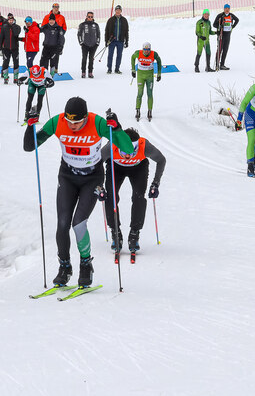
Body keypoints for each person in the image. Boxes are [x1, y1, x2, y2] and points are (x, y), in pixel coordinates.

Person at [23, 97, 133, 287]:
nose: (72, 126)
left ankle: (85, 264)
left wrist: (117, 129)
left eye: (77, 122)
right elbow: (29, 146)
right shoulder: (57, 122)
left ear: (85, 118)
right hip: (67, 177)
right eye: (69, 121)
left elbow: (128, 149)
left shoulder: (97, 123)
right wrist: (30, 126)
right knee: (62, 224)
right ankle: (64, 267)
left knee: (78, 223)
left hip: (92, 178)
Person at [100, 127, 166, 255]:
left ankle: (134, 233)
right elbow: (96, 163)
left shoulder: (144, 146)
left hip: (138, 168)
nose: (127, 156)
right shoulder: (111, 145)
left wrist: (155, 184)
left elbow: (161, 160)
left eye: (132, 151)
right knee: (111, 197)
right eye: (124, 151)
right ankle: (115, 232)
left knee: (138, 197)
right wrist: (99, 186)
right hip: (116, 167)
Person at [131, 42, 162, 121]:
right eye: (145, 49)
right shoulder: (138, 53)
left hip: (149, 76)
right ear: (143, 49)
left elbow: (159, 61)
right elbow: (132, 57)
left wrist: (159, 74)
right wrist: (133, 70)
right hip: (140, 76)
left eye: (148, 49)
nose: (146, 51)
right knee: (140, 93)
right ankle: (138, 110)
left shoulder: (154, 54)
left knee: (150, 93)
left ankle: (150, 111)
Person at [213, 4, 239, 70]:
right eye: (226, 8)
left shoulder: (231, 15)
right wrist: (220, 26)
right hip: (221, 34)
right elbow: (214, 24)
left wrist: (233, 26)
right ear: (224, 9)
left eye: (228, 8)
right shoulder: (220, 15)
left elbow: (237, 20)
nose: (227, 10)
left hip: (228, 35)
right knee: (219, 50)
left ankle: (222, 65)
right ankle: (217, 64)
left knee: (225, 50)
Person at [105, 5, 129, 74]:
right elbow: (107, 31)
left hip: (120, 41)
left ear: (121, 11)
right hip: (112, 41)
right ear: (115, 11)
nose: (118, 11)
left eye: (119, 10)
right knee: (110, 55)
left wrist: (126, 41)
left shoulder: (124, 20)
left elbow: (126, 31)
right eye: (117, 10)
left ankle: (117, 69)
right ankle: (109, 69)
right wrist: (106, 41)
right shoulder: (110, 20)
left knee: (119, 55)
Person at [0, 13, 21, 84]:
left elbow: (16, 33)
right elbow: (1, 38)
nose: (11, 21)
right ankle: (5, 77)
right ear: (7, 20)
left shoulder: (17, 27)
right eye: (10, 20)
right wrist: (0, 48)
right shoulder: (4, 27)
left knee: (16, 62)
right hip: (6, 48)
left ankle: (16, 78)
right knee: (6, 62)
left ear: (14, 20)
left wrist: (13, 26)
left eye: (12, 20)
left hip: (15, 48)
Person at [77, 11, 100, 79]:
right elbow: (79, 34)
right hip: (85, 45)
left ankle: (90, 72)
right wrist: (81, 42)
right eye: (89, 16)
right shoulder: (82, 25)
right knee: (84, 58)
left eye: (91, 17)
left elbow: (98, 34)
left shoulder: (96, 25)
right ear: (86, 17)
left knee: (91, 59)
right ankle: (83, 72)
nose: (90, 18)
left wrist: (97, 43)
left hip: (93, 45)